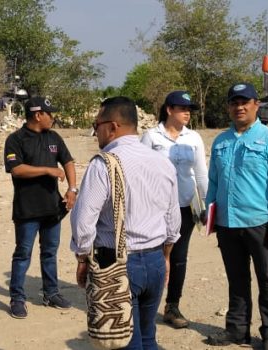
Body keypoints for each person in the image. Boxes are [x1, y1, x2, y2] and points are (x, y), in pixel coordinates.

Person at [71, 96, 181, 349]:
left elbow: (83, 222)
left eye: (96, 125)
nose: (95, 132)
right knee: (147, 335)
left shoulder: (104, 165)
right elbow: (173, 221)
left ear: (112, 126)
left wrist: (82, 259)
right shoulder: (162, 162)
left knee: (125, 341)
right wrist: (165, 257)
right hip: (154, 259)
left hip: (117, 263)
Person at [205, 83, 268, 350]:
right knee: (237, 278)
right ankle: (237, 330)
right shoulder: (221, 141)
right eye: (234, 102)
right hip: (227, 224)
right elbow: (213, 182)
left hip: (260, 224)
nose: (239, 107)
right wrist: (210, 214)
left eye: (245, 102)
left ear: (256, 105)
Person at [3, 96, 77, 319]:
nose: (52, 118)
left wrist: (72, 189)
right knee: (23, 254)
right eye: (49, 113)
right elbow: (16, 169)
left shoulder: (54, 137)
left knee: (50, 252)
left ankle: (51, 293)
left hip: (52, 209)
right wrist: (47, 170)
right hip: (27, 210)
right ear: (38, 115)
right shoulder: (15, 139)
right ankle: (17, 298)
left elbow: (68, 161)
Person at [140, 90, 208, 329]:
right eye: (182, 108)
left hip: (185, 207)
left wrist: (207, 204)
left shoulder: (194, 138)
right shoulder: (151, 137)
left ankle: (172, 306)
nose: (187, 113)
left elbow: (200, 174)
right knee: (153, 256)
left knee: (178, 258)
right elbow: (141, 171)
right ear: (169, 110)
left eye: (189, 109)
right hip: (156, 208)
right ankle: (145, 304)